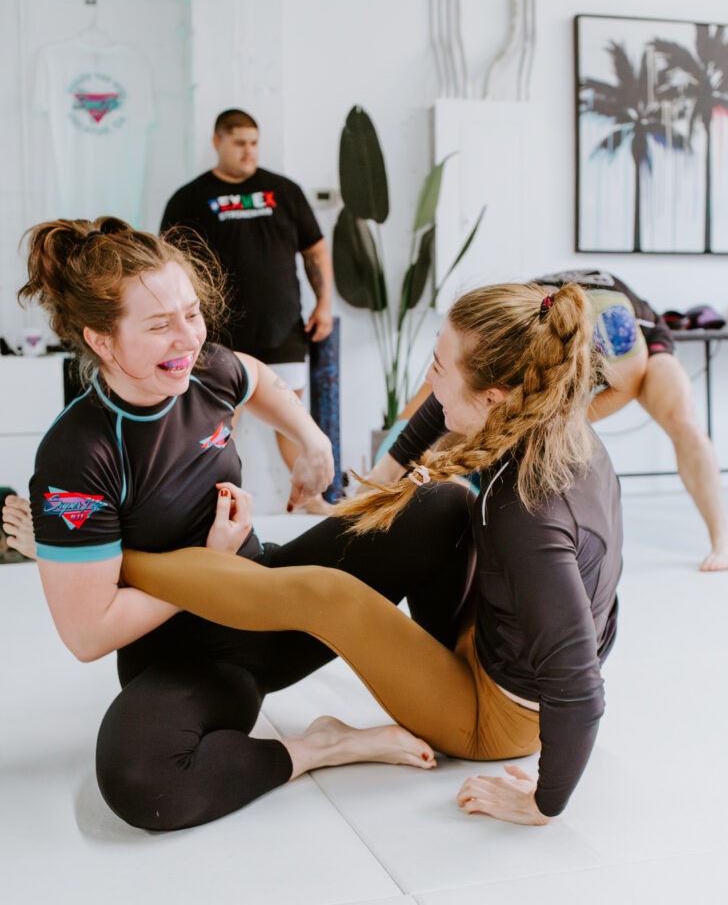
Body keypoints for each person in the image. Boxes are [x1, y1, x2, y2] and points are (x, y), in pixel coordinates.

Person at [23, 217, 478, 832]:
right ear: (102, 340)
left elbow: (256, 376)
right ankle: (320, 748)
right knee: (139, 776)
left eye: (191, 313)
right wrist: (210, 563)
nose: (186, 338)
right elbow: (88, 633)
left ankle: (450, 682)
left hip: (276, 602)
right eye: (159, 325)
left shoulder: (203, 370)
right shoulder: (79, 453)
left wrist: (313, 442)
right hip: (190, 660)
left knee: (443, 505)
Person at [120, 282, 623, 826]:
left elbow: (578, 686)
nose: (430, 379)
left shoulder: (529, 513)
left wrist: (544, 804)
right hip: (494, 635)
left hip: (495, 718)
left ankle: (122, 559)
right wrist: (374, 489)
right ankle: (214, 575)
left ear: (494, 395)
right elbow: (440, 408)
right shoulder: (545, 416)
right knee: (441, 500)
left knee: (329, 594)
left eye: (439, 368)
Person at [160, 108, 334, 513]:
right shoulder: (188, 198)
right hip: (219, 333)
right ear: (217, 142)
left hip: (283, 329)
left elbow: (314, 250)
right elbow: (167, 265)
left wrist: (324, 302)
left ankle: (314, 502)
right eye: (239, 142)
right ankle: (215, 508)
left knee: (293, 419)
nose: (248, 150)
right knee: (220, 424)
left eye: (254, 142)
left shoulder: (284, 191)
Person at [533, 270, 728, 572]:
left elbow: (627, 383)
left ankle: (723, 542)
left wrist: (565, 422)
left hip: (638, 343)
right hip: (573, 327)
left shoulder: (612, 322)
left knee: (682, 419)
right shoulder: (517, 317)